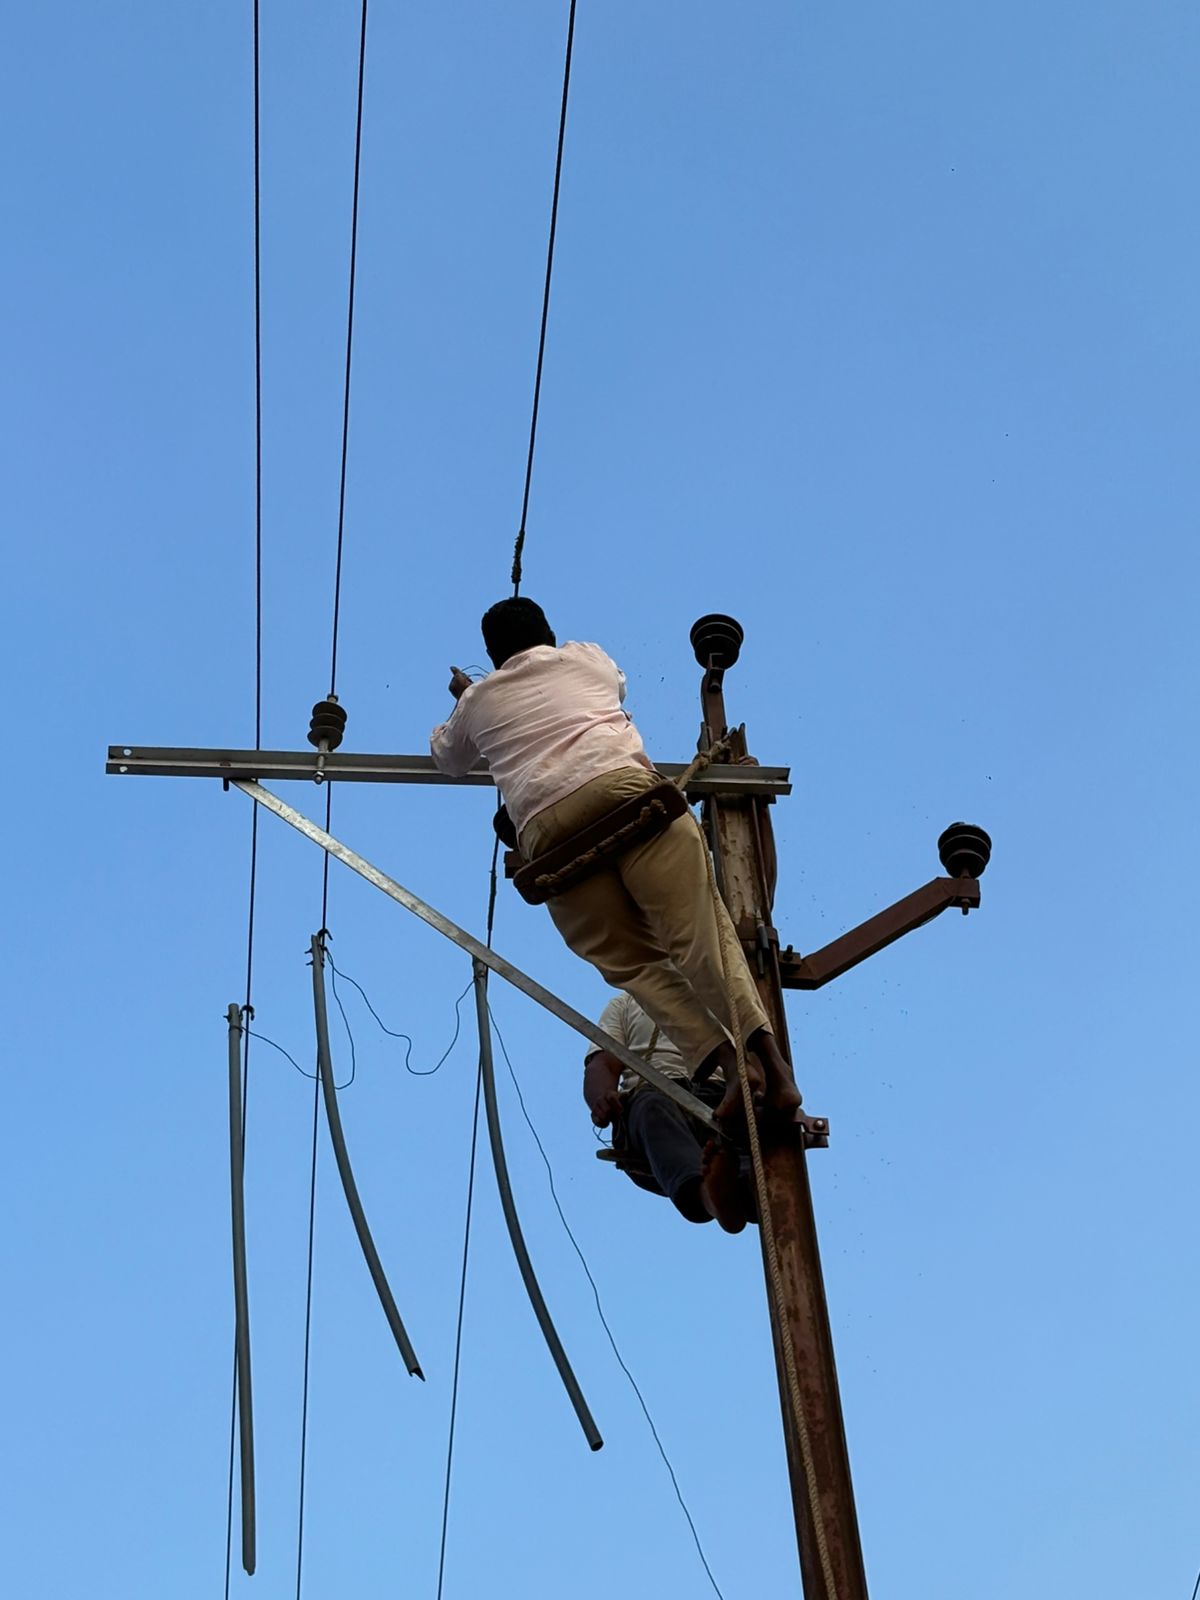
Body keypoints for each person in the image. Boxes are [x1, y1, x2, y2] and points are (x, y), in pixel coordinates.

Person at [429, 596, 801, 1120]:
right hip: (630, 797)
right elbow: (618, 684)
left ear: (491, 655)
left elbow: (448, 758)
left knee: (636, 965)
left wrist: (466, 698)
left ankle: (730, 1065)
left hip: (552, 836)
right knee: (699, 938)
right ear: (550, 632)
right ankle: (774, 1068)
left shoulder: (478, 700)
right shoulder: (586, 658)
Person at [583, 990, 752, 1232]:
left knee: (758, 1133)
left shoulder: (727, 994)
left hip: (723, 1097)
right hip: (657, 1093)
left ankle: (743, 1193)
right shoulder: (627, 1001)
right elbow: (603, 1063)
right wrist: (602, 1097)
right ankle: (709, 1196)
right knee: (652, 1106)